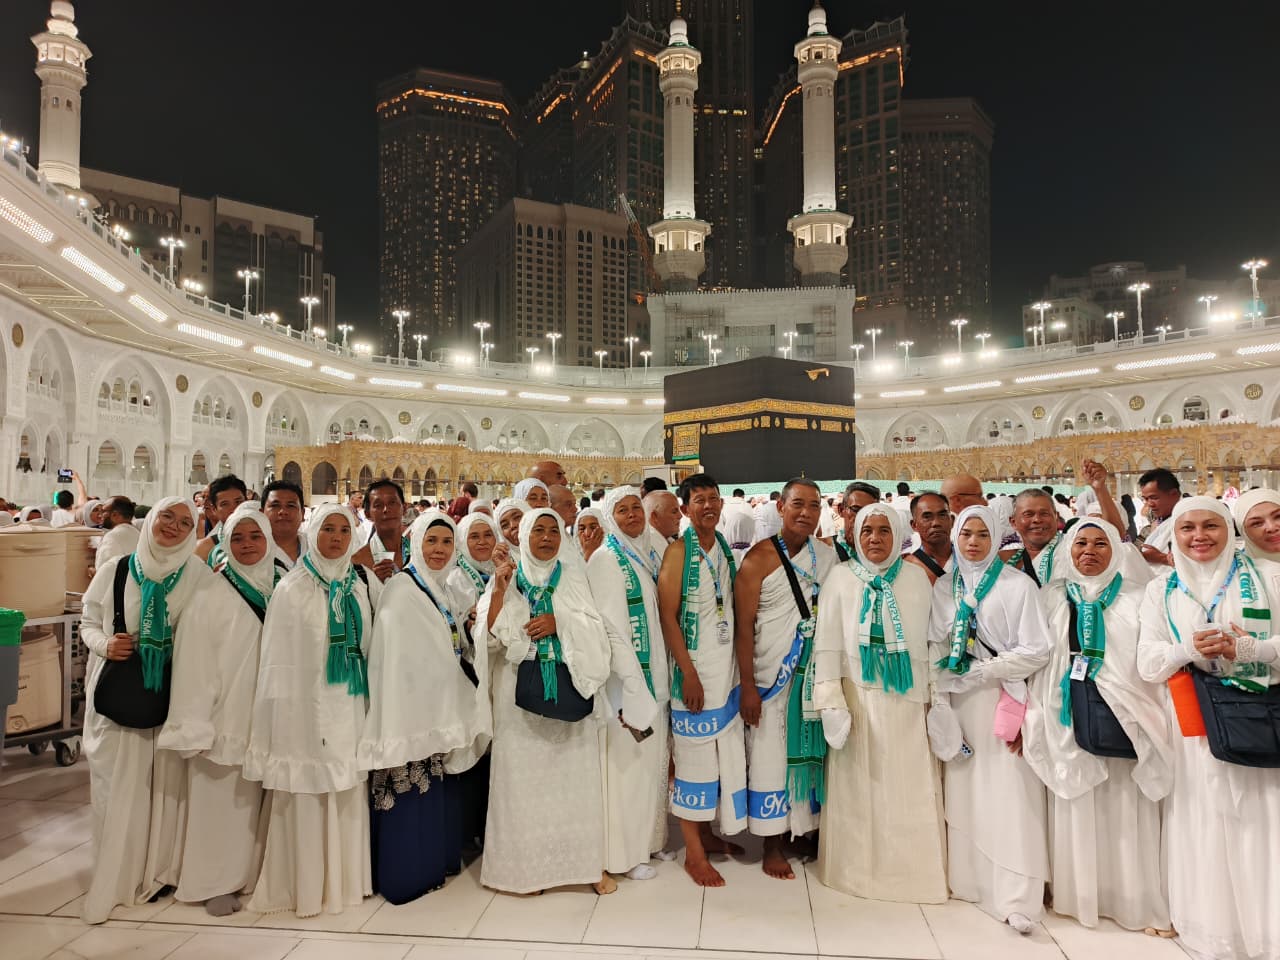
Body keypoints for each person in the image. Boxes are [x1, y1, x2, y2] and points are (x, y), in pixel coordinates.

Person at [1136, 496, 1280, 960]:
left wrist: (1252, 650)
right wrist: (1188, 650)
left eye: (1211, 526)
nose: (1199, 536)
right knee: (1204, 818)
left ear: (1229, 530)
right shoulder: (1162, 589)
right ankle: (1213, 928)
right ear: (1174, 535)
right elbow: (1148, 662)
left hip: (1258, 715)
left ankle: (1267, 929)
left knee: (1260, 819)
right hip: (1195, 726)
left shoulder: (1269, 576)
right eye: (1188, 528)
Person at [1019, 518, 1170, 933]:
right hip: (1065, 713)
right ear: (1068, 549)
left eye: (1100, 543)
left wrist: (1119, 692)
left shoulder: (1138, 597)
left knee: (1124, 807)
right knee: (1076, 802)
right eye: (1081, 543)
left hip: (1125, 714)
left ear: (1116, 550)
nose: (1089, 551)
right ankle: (1077, 897)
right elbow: (1038, 659)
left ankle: (1131, 900)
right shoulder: (1052, 597)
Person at [80, 497, 208, 923]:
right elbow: (87, 622)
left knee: (162, 790)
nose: (173, 526)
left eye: (185, 522)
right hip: (118, 698)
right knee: (116, 791)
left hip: (169, 698)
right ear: (150, 519)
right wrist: (105, 644)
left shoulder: (197, 575)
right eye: (167, 517)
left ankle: (157, 874)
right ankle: (115, 877)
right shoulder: (117, 569)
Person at [811, 503, 948, 902]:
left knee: (908, 789)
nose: (874, 538)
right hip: (857, 701)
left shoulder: (916, 579)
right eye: (867, 530)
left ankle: (910, 875)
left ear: (899, 534)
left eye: (884, 530)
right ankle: (855, 874)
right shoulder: (840, 578)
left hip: (907, 701)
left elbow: (932, 641)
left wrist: (936, 697)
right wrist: (830, 700)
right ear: (856, 535)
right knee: (858, 789)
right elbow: (827, 643)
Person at [928, 504, 1052, 935]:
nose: (974, 543)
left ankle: (1017, 896)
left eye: (983, 534)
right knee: (966, 789)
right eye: (966, 534)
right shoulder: (945, 586)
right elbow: (935, 642)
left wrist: (986, 670)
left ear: (997, 537)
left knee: (1011, 793)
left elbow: (1037, 649)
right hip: (960, 701)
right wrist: (941, 690)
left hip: (1002, 697)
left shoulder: (1017, 586)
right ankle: (970, 882)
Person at [245, 504, 374, 917]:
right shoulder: (293, 588)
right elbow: (276, 659)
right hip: (303, 709)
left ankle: (345, 882)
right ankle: (305, 885)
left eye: (343, 530)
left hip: (348, 704)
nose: (336, 538)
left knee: (344, 785)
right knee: (307, 787)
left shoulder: (359, 584)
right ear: (312, 533)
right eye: (327, 529)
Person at [477, 507, 613, 895]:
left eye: (554, 530)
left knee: (575, 784)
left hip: (568, 685)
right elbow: (490, 637)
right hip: (518, 693)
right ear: (524, 536)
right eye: (538, 530)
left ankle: (586, 867)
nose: (547, 537)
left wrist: (560, 622)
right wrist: (500, 588)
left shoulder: (572, 575)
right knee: (523, 787)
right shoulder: (508, 574)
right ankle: (527, 872)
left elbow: (596, 629)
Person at [359, 510, 491, 903]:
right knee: (407, 797)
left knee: (434, 795)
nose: (439, 549)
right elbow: (397, 656)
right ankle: (404, 878)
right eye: (431, 541)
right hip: (407, 712)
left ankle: (433, 869)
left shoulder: (439, 587)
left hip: (433, 709)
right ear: (416, 543)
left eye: (447, 542)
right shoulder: (402, 589)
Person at [157, 504, 276, 916]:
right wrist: (195, 724)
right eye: (237, 538)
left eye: (255, 536)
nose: (247, 545)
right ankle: (212, 883)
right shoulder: (210, 592)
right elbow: (194, 663)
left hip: (262, 714)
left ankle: (247, 877)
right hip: (221, 718)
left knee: (251, 807)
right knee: (218, 804)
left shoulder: (276, 586)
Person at [733, 479, 837, 878]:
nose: (806, 513)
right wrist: (747, 687)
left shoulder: (826, 556)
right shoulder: (759, 558)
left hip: (811, 673)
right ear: (781, 507)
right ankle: (772, 841)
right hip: (770, 677)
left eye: (814, 505)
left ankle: (803, 829)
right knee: (770, 758)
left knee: (809, 751)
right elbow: (744, 628)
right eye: (798, 504)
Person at [658, 474, 747, 887]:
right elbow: (668, 616)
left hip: (723, 671)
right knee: (694, 759)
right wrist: (688, 674)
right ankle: (693, 853)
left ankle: (708, 833)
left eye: (714, 498)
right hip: (693, 673)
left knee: (719, 756)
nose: (708, 506)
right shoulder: (679, 551)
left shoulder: (723, 547)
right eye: (699, 500)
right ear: (685, 509)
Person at [587, 486, 670, 882]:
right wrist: (633, 685)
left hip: (653, 678)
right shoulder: (606, 559)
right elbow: (612, 628)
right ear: (610, 518)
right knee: (627, 772)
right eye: (622, 510)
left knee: (650, 768)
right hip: (625, 685)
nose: (632, 515)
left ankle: (648, 841)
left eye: (636, 507)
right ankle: (623, 855)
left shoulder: (646, 552)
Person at [1000, 489, 1065, 586]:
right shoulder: (1005, 560)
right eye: (1028, 514)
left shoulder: (1074, 550)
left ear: (1056, 517)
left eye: (1044, 514)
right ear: (1013, 522)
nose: (1037, 520)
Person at [350, 480, 409, 585]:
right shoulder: (358, 563)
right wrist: (375, 584)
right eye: (378, 505)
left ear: (404, 508)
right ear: (367, 514)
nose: (386, 509)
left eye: (392, 503)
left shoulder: (419, 552)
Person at [451, 512, 502, 610]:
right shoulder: (455, 580)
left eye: (488, 535)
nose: (482, 542)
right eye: (474, 537)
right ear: (462, 542)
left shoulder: (508, 566)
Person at [194, 475, 248, 565]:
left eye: (238, 502)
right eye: (225, 504)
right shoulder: (204, 549)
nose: (234, 509)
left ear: (246, 503)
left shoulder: (265, 540)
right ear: (214, 509)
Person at [905, 491, 953, 584]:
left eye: (942, 515)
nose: (936, 523)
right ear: (914, 525)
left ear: (952, 521)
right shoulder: (907, 566)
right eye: (927, 517)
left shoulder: (969, 560)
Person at [1136, 468, 1181, 566]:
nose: (1149, 504)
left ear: (1174, 494)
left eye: (1154, 498)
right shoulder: (1156, 524)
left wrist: (1162, 558)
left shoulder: (1189, 521)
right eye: (1146, 499)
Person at [261, 480, 306, 571]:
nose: (283, 512)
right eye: (275, 505)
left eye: (291, 506)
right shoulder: (250, 549)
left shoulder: (317, 548)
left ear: (303, 513)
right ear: (261, 514)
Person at [831, 482, 880, 561]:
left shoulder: (880, 551)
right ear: (841, 510)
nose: (863, 518)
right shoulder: (826, 550)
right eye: (856, 510)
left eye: (871, 512)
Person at [1232, 488, 1280, 561]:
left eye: (1278, 516)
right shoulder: (1233, 567)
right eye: (1257, 523)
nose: (1271, 528)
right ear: (1244, 532)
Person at [95, 497, 140, 571]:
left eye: (103, 511)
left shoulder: (112, 536)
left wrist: (92, 571)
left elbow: (103, 572)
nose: (100, 515)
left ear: (114, 515)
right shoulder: (138, 534)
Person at [719, 488, 756, 562]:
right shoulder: (747, 506)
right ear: (743, 496)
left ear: (733, 496)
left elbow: (722, 524)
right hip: (746, 542)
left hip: (729, 541)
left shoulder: (725, 506)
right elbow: (751, 523)